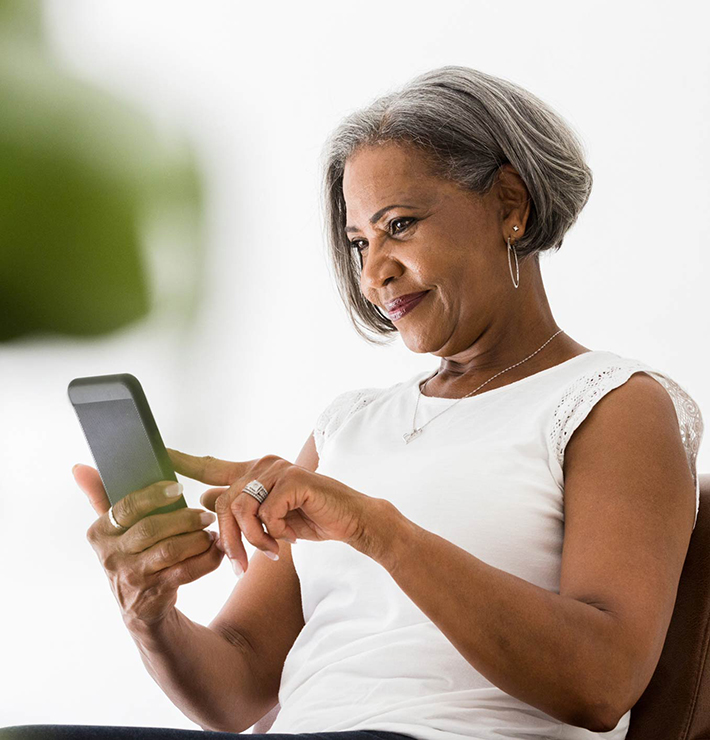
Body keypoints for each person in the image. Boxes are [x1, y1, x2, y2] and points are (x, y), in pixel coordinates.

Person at [2, 65, 703, 740]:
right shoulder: (349, 424)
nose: (373, 271)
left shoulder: (613, 404)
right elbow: (235, 687)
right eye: (358, 240)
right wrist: (149, 612)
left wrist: (378, 530)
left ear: (510, 206)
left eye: (400, 225)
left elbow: (602, 682)